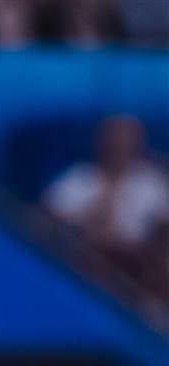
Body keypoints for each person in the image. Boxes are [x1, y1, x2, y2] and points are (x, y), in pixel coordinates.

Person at [42, 115, 169, 294]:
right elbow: (48, 223)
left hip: (139, 268)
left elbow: (163, 234)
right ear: (101, 142)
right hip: (83, 263)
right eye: (114, 140)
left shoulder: (152, 184)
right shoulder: (77, 179)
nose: (119, 146)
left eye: (126, 141)